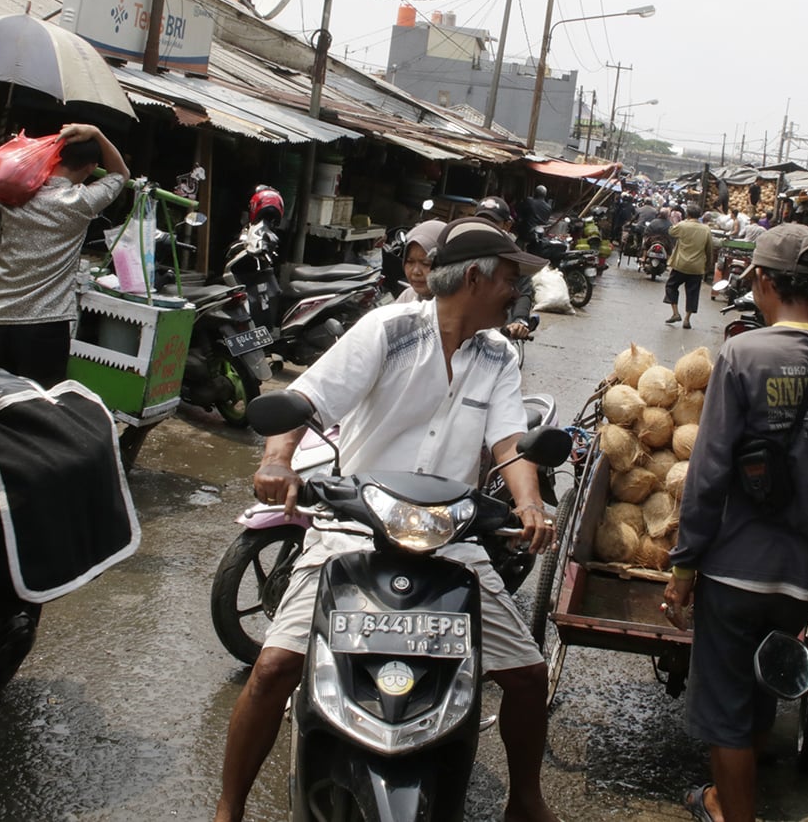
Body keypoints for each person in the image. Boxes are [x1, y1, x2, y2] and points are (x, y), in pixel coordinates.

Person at [213, 216, 558, 822]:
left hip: (451, 538)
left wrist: (528, 503)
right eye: (509, 278)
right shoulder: (388, 329)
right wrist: (276, 459)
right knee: (273, 667)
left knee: (528, 675)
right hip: (357, 527)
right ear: (475, 277)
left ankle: (525, 799)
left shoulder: (499, 354)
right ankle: (227, 807)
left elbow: (509, 445)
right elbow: (309, 399)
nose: (515, 291)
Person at [662, 224, 808, 822]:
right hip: (806, 577)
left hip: (735, 571)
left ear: (762, 280)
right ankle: (722, 799)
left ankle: (734, 815)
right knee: (763, 690)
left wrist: (684, 565)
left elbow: (707, 472)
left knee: (727, 711)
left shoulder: (744, 353)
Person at [0, 123, 129, 388]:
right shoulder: (81, 202)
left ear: (56, 155)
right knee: (40, 412)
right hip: (47, 327)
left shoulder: (8, 196)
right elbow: (120, 174)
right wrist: (96, 132)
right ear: (92, 168)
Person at [474, 196, 535, 341]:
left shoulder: (516, 258)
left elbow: (524, 293)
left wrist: (519, 321)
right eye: (481, 221)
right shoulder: (461, 251)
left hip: (498, 327)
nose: (486, 226)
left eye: (492, 222)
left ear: (506, 225)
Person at [664, 205, 715, 329]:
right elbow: (709, 249)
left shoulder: (683, 225)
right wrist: (709, 264)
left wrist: (681, 222)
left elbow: (671, 231)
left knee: (671, 286)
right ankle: (687, 319)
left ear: (688, 215)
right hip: (697, 267)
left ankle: (675, 313)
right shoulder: (706, 229)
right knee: (693, 292)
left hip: (680, 264)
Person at [394, 218, 446, 302]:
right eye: (410, 262)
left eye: (426, 263)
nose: (416, 272)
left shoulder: (457, 309)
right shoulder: (407, 297)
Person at [516, 184, 553, 249]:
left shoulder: (529, 201)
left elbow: (519, 211)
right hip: (539, 235)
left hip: (526, 233)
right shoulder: (548, 207)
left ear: (535, 193)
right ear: (545, 195)